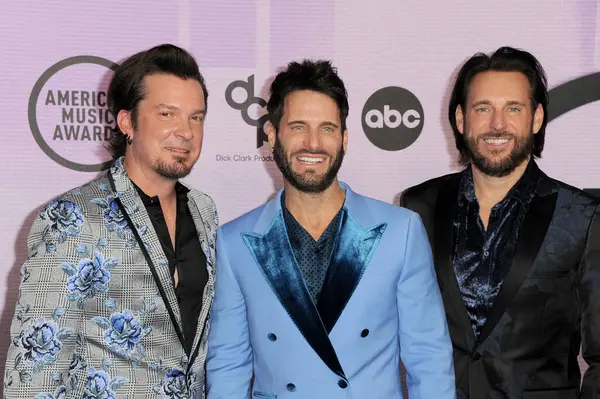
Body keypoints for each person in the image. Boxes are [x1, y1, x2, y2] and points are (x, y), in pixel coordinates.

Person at [206, 59, 455, 398]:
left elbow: (429, 359)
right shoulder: (236, 242)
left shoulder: (401, 232)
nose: (313, 143)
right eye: (297, 127)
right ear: (271, 135)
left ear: (345, 138)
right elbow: (229, 367)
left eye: (327, 128)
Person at [3, 44, 218, 398]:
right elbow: (34, 369)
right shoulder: (73, 216)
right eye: (167, 114)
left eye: (196, 117)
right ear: (127, 122)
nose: (186, 131)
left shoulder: (204, 211)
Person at [400, 46, 600, 398]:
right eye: (483, 108)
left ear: (536, 118)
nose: (497, 124)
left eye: (513, 108)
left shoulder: (583, 215)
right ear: (461, 120)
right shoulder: (419, 206)